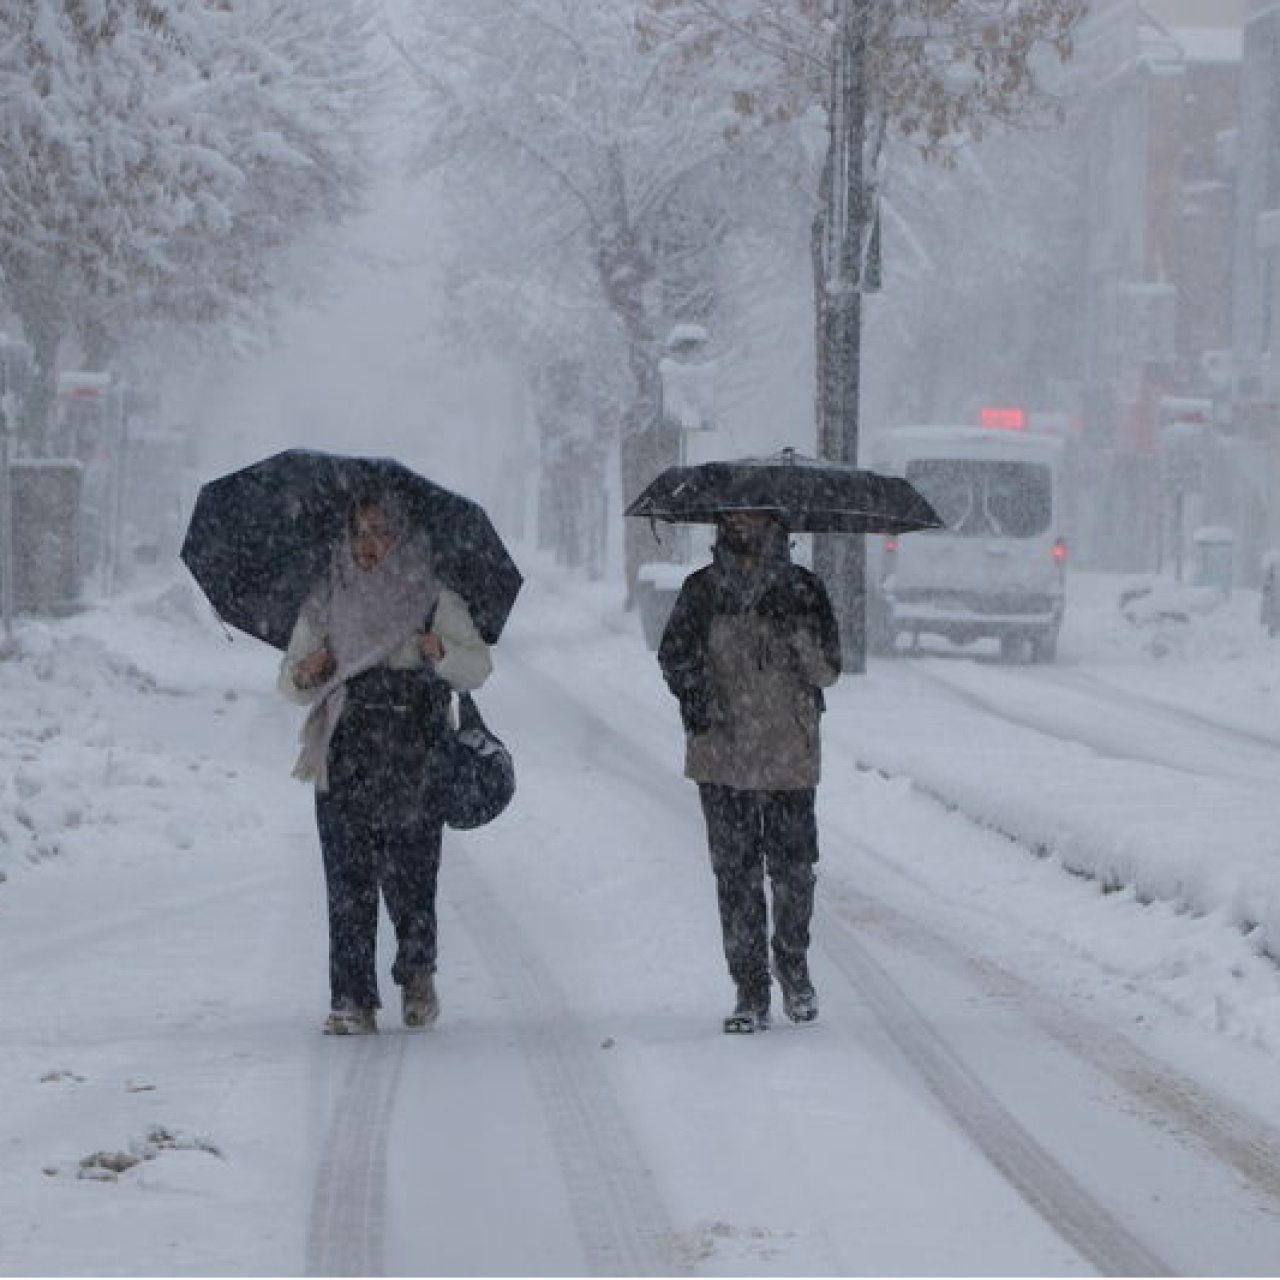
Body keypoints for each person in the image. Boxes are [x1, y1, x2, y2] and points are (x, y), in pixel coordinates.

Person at [279, 496, 492, 1035]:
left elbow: (478, 667)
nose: (367, 544)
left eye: (379, 532)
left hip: (414, 747)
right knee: (346, 877)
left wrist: (439, 650)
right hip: (346, 746)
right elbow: (291, 684)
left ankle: (417, 973)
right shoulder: (327, 599)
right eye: (358, 532)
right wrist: (308, 671)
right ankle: (351, 999)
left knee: (412, 874)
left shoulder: (431, 596)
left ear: (402, 538)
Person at [657, 509, 841, 1033]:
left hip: (789, 753)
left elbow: (828, 670)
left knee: (793, 873)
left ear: (774, 524)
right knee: (735, 876)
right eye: (731, 515)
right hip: (723, 752)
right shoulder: (701, 590)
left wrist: (795, 630)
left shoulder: (806, 589)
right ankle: (750, 988)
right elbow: (674, 656)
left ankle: (793, 965)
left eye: (752, 515)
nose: (740, 524)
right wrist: (698, 694)